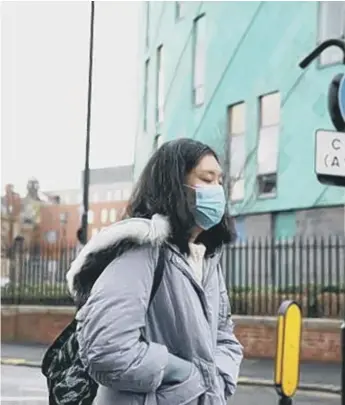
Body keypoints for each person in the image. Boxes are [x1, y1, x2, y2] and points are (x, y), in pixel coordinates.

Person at [66, 138, 243, 405]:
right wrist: (187, 376)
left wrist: (220, 380)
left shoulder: (205, 256)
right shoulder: (140, 252)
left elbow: (224, 335)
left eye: (220, 181)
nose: (217, 190)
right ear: (174, 185)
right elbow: (107, 350)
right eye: (207, 179)